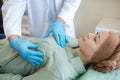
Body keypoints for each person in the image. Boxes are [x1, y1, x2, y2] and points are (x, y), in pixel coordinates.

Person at [0, 31, 119, 80]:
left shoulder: (59, 72)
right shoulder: (74, 43)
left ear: (98, 56)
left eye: (95, 39)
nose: (89, 34)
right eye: (96, 33)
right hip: (6, 41)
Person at [1, 0, 81, 66]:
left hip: (63, 27)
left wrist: (61, 20)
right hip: (39, 29)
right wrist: (13, 38)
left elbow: (73, 2)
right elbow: (14, 3)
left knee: (64, 58)